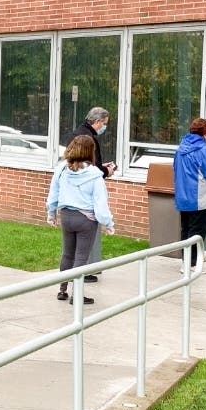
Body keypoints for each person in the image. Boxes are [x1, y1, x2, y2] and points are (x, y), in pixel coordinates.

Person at [46, 135, 114, 305]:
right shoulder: (94, 174)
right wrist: (108, 223)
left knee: (67, 254)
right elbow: (100, 203)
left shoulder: (61, 169)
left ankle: (62, 290)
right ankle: (77, 295)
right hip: (86, 220)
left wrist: (51, 212)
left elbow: (53, 193)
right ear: (90, 151)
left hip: (66, 216)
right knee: (81, 257)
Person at [68, 106, 116, 281]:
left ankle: (64, 287)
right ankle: (83, 275)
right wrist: (105, 171)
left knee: (69, 249)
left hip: (70, 206)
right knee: (84, 245)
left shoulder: (77, 134)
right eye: (104, 123)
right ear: (97, 121)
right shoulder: (88, 139)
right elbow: (92, 168)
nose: (104, 127)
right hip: (85, 205)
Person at [174, 117, 206, 267]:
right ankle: (192, 265)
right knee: (198, 232)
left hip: (183, 197)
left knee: (186, 230)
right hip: (200, 198)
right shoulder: (204, 151)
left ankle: (186, 262)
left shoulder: (180, 150)